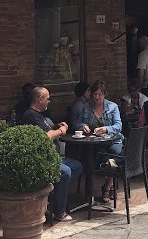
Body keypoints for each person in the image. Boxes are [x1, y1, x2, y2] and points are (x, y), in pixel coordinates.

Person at [22, 86, 83, 222]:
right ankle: (59, 211)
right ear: (39, 99)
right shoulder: (30, 115)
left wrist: (55, 126)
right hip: (42, 159)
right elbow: (46, 136)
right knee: (65, 171)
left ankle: (54, 197)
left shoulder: (41, 114)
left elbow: (47, 129)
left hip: (53, 157)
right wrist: (60, 130)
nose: (49, 101)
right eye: (47, 99)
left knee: (77, 166)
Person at [77, 80, 123, 204]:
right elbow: (78, 123)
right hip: (96, 142)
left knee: (115, 155)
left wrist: (106, 129)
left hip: (113, 141)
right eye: (95, 94)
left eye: (99, 94)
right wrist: (83, 126)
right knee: (103, 158)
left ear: (105, 94)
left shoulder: (112, 107)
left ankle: (107, 186)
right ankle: (108, 185)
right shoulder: (86, 107)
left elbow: (118, 126)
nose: (97, 97)